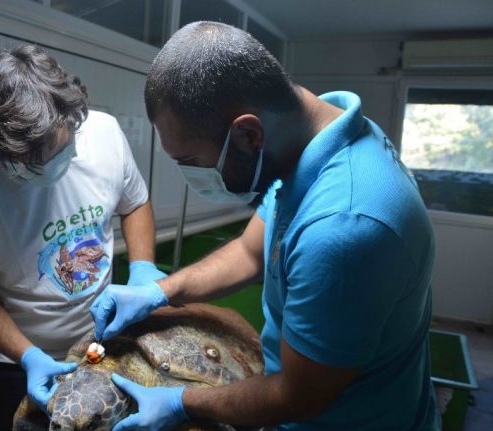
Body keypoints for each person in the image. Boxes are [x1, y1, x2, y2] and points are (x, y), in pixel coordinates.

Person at [91, 21, 439, 431]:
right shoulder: (311, 143)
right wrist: (157, 292)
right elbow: (249, 252)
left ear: (248, 135)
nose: (192, 175)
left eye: (191, 162)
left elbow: (296, 395)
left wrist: (181, 402)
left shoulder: (342, 226)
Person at [0, 45, 166, 431]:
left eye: (66, 143)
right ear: (3, 155)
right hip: (8, 364)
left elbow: (135, 203)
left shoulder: (103, 132)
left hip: (98, 348)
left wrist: (142, 268)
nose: (65, 157)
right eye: (44, 158)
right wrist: (28, 356)